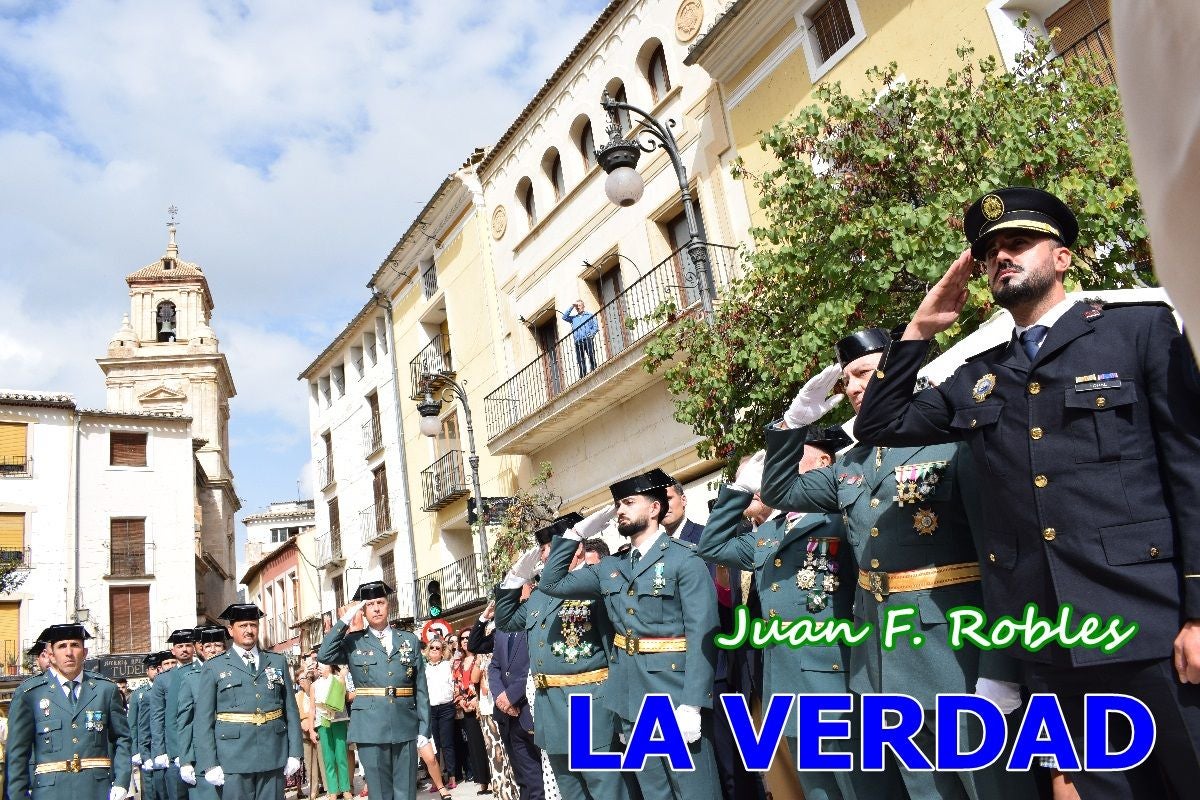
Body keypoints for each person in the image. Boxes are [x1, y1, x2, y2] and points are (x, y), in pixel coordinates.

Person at [853, 185, 1200, 798]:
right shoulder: (978, 375)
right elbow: (880, 424)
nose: (1001, 258)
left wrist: (1199, 613)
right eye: (989, 253)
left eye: (1018, 243)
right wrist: (920, 327)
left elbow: (1190, 473)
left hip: (1151, 621)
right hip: (1052, 640)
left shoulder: (1139, 332)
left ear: (1062, 257)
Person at [760, 332, 1029, 800]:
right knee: (924, 790)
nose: (853, 388)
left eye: (863, 373)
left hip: (954, 652)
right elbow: (780, 492)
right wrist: (793, 423)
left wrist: (1001, 664)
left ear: (898, 371)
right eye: (847, 381)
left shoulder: (951, 440)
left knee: (986, 787)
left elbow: (998, 555)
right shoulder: (853, 464)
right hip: (884, 662)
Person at [539, 469, 721, 800]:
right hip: (632, 701)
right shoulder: (613, 566)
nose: (619, 510)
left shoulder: (685, 559)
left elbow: (703, 634)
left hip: (674, 695)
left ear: (654, 508)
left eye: (628, 502)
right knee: (655, 793)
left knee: (695, 792)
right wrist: (575, 534)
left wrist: (693, 704)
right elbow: (551, 584)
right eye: (617, 504)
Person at [699, 431, 857, 800]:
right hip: (785, 683)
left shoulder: (842, 516)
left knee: (856, 787)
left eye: (792, 456)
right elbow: (712, 544)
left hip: (836, 676)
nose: (775, 468)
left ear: (824, 463)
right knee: (816, 791)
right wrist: (739, 487)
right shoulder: (769, 533)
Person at [495, 513, 627, 800]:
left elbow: (612, 647)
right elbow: (505, 620)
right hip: (549, 705)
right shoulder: (541, 595)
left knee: (603, 788)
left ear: (575, 546)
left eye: (548, 547)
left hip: (584, 703)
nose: (543, 555)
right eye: (542, 549)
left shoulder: (593, 581)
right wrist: (515, 578)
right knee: (570, 790)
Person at [317, 581, 429, 800]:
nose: (376, 608)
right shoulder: (353, 642)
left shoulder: (409, 640)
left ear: (389, 605)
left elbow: (421, 688)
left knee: (406, 791)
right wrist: (346, 619)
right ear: (364, 611)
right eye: (370, 605)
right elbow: (324, 654)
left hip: (404, 722)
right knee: (379, 792)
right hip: (370, 727)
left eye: (381, 602)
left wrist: (424, 729)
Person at [5, 623, 132, 800]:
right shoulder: (30, 693)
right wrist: (18, 795)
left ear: (85, 653)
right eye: (62, 646)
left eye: (75, 645)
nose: (69, 652)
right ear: (51, 655)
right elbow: (17, 752)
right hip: (49, 792)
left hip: (96, 790)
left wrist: (122, 781)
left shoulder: (105, 690)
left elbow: (122, 738)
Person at [193, 604, 302, 800]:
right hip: (233, 758)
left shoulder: (276, 661)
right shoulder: (214, 666)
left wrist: (295, 752)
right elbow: (203, 720)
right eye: (243, 625)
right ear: (230, 630)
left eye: (253, 625)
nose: (249, 630)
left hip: (273, 753)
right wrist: (209, 763)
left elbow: (291, 711)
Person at [487, 616, 542, 800]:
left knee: (541, 780)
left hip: (530, 709)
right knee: (525, 779)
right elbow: (494, 666)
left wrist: (512, 696)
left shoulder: (535, 619)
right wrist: (501, 698)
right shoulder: (503, 627)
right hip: (508, 716)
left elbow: (538, 663)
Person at [176, 627, 227, 800]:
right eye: (208, 646)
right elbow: (185, 723)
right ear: (201, 650)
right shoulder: (191, 679)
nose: (213, 650)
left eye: (218, 645)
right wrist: (185, 760)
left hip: (233, 753)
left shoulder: (234, 675)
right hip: (203, 757)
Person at [151, 629, 200, 800]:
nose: (184, 649)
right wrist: (159, 750)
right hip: (174, 749)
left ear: (194, 648)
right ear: (173, 651)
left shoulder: (204, 671)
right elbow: (157, 717)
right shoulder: (163, 679)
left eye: (188, 645)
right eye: (180, 646)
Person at [455, 631, 492, 796]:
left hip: (482, 705)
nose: (465, 641)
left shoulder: (482, 657)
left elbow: (485, 680)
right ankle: (482, 782)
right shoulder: (458, 663)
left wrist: (477, 699)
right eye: (462, 638)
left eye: (468, 637)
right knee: (475, 746)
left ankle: (494, 778)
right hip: (467, 709)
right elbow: (456, 686)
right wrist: (461, 701)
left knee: (488, 743)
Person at [312, 663, 351, 800]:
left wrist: (342, 676)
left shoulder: (338, 678)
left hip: (339, 720)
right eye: (319, 666)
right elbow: (312, 709)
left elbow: (344, 695)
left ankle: (345, 789)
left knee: (341, 756)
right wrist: (312, 729)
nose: (320, 668)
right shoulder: (314, 685)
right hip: (323, 722)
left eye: (323, 665)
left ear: (330, 666)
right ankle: (333, 790)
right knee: (328, 758)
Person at [423, 638, 458, 793]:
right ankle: (437, 780)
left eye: (438, 648)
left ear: (443, 651)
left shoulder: (447, 665)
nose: (435, 650)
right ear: (428, 650)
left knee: (448, 743)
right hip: (430, 709)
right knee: (434, 745)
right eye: (432, 648)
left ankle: (452, 776)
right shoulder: (424, 668)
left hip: (446, 708)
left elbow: (454, 683)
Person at [128, 653, 160, 800]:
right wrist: (135, 750)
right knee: (149, 790)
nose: (157, 671)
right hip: (146, 747)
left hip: (162, 746)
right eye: (153, 668)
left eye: (158, 667)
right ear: (147, 671)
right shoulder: (138, 693)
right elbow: (132, 724)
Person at [561, 301, 599, 378]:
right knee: (580, 359)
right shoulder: (574, 318)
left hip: (587, 339)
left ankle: (594, 368)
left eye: (579, 305)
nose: (578, 307)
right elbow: (564, 317)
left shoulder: (589, 315)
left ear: (583, 306)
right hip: (578, 341)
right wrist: (572, 306)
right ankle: (583, 374)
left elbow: (595, 326)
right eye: (577, 306)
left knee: (591, 355)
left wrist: (591, 335)